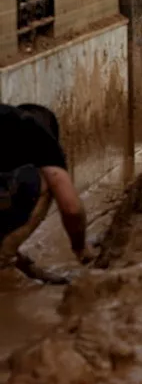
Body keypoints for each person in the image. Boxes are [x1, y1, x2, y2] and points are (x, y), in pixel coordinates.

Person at [0, 104, 91, 274]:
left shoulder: (7, 119)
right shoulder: (38, 134)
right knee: (50, 182)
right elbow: (71, 209)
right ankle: (3, 260)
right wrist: (80, 248)